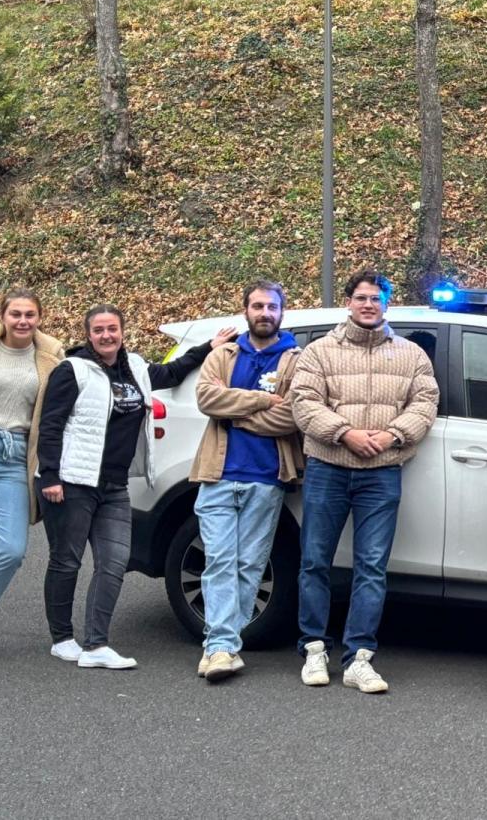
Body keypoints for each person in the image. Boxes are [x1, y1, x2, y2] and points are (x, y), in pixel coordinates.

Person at [36, 305, 233, 669]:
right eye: (99, 330)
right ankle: (62, 638)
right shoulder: (73, 371)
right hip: (72, 482)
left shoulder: (137, 369)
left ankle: (96, 645)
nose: (106, 336)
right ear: (89, 334)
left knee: (113, 562)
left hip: (114, 485)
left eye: (113, 329)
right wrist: (49, 476)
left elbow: (173, 372)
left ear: (123, 332)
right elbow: (51, 425)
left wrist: (209, 346)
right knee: (67, 561)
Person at [291, 269, 438, 694]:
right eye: (361, 297)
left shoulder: (411, 355)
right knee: (315, 561)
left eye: (376, 298)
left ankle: (359, 657)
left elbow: (425, 402)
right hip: (328, 468)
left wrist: (393, 434)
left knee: (371, 568)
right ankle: (314, 648)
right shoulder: (319, 352)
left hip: (381, 474)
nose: (369, 304)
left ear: (387, 303)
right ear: (349, 302)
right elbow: (304, 403)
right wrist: (346, 433)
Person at [189, 280, 302, 682]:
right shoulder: (224, 354)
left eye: (272, 306)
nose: (264, 313)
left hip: (267, 478)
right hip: (218, 474)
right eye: (257, 306)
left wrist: (232, 407)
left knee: (249, 565)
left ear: (281, 312)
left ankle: (220, 646)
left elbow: (291, 416)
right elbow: (206, 399)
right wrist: (259, 400)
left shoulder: (295, 360)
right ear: (246, 311)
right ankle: (221, 646)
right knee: (219, 560)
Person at [0, 289, 64, 613]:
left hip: (17, 457)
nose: (22, 321)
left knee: (10, 549)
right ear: (2, 316)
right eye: (16, 314)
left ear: (39, 318)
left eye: (29, 315)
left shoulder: (52, 356)